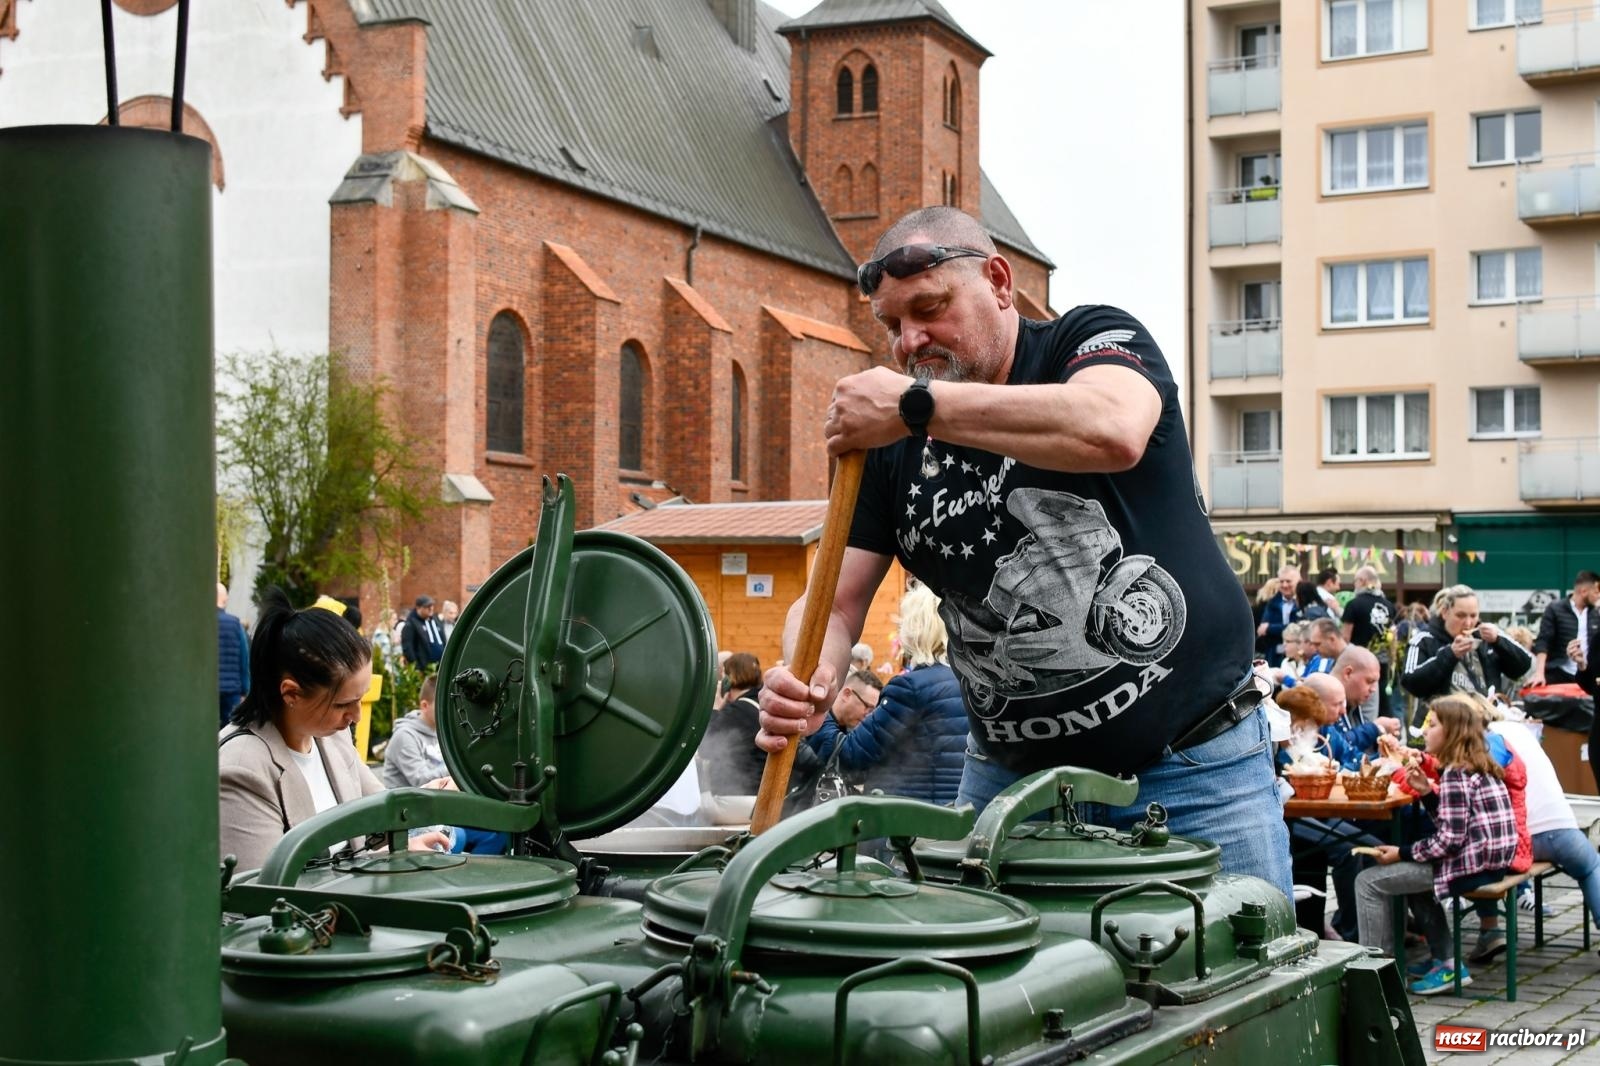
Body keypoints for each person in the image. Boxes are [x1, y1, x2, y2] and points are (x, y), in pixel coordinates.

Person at [756, 205, 1291, 900]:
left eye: (930, 308)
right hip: (1011, 785)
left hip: (1193, 772)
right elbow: (834, 603)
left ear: (1000, 282)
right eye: (891, 326)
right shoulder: (889, 443)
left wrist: (917, 406)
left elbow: (1114, 427)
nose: (912, 340)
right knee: (1001, 998)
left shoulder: (1090, 339)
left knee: (1238, 990)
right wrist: (808, 678)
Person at [219, 588, 448, 871]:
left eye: (360, 699)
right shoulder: (242, 769)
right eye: (343, 704)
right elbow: (263, 895)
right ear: (291, 693)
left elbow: (379, 817)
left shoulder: (331, 737)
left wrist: (427, 801)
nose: (356, 716)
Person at [1357, 695, 1519, 995]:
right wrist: (1428, 795)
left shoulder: (1457, 774)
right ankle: (1445, 962)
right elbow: (1454, 827)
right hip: (1489, 861)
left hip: (1473, 866)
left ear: (1452, 732)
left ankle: (1377, 974)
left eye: (1432, 724)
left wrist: (1401, 853)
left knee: (1367, 881)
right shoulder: (1471, 765)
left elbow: (1448, 841)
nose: (1424, 730)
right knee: (1409, 879)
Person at [805, 585, 968, 804]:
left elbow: (848, 756)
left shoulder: (910, 688)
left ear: (913, 629)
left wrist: (817, 710)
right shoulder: (970, 683)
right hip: (958, 816)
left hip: (910, 825)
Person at [1400, 585, 1532, 725]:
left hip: (1484, 726)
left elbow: (1523, 665)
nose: (1468, 623)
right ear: (1445, 612)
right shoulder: (1425, 639)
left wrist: (1499, 639)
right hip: (1443, 726)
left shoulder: (1485, 638)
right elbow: (1410, 681)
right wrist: (1450, 654)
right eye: (1461, 615)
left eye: (1473, 615)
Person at [1341, 566, 1396, 718]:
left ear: (1363, 581)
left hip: (1359, 662)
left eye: (1355, 582)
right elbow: (1393, 637)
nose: (1354, 586)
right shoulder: (1388, 605)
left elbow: (1345, 636)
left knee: (1361, 703)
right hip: (1383, 660)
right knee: (1383, 702)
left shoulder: (1354, 604)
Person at [1528, 571, 1598, 688]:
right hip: (1559, 672)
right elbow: (1543, 641)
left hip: (1589, 673)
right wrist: (1539, 673)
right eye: (1596, 592)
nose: (1599, 595)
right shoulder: (1555, 609)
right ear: (1584, 591)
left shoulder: (1596, 612)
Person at [216, 582, 250, 728]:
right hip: (231, 690)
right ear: (224, 600)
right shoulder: (235, 624)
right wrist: (245, 689)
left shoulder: (200, 622)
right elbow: (244, 659)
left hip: (205, 691)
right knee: (230, 730)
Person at [400, 594, 445, 668]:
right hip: (424, 668)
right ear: (418, 608)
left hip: (440, 665)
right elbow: (408, 648)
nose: (431, 608)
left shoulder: (435, 620)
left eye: (432, 605)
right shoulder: (411, 624)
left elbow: (443, 639)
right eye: (427, 606)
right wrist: (416, 667)